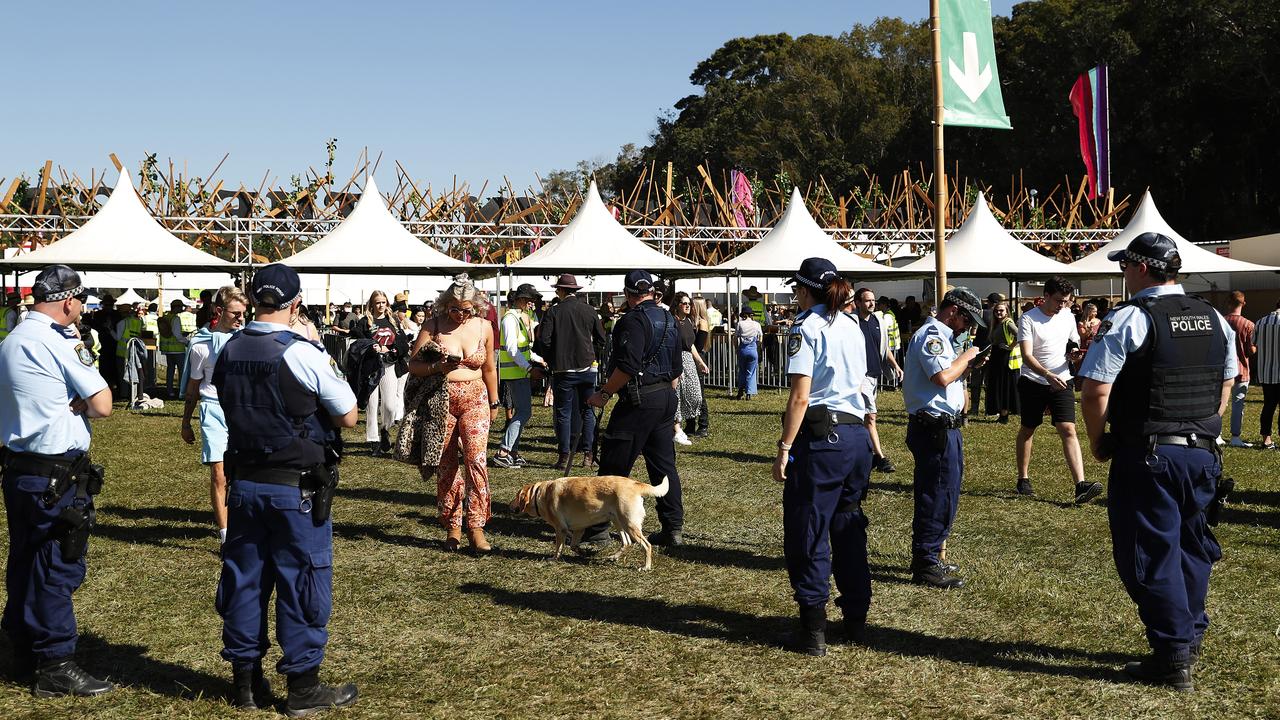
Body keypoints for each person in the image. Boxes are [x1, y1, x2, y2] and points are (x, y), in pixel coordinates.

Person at [1078, 232, 1236, 691]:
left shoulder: (1130, 316)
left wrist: (1099, 441)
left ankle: (1172, 655)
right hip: (1203, 454)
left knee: (1149, 552)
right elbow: (1227, 381)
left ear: (1142, 269)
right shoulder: (1213, 317)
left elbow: (1095, 390)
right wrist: (1206, 428)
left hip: (1149, 455)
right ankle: (1189, 637)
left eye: (1125, 266)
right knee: (1192, 547)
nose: (1123, 274)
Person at [212, 263, 359, 713]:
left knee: (244, 583)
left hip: (244, 486)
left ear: (253, 300)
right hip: (294, 490)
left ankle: (246, 684)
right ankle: (303, 687)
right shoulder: (302, 352)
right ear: (296, 304)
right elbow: (348, 415)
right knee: (302, 583)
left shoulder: (229, 349)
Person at [0, 265, 114, 698]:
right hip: (56, 473)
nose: (82, 309)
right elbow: (103, 404)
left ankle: (22, 644)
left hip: (19, 469)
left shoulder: (11, 340)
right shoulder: (56, 341)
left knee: (25, 558)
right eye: (82, 301)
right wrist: (77, 403)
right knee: (57, 564)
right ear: (69, 301)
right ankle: (56, 661)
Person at [771, 258, 873, 656]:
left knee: (809, 529)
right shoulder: (853, 325)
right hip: (855, 436)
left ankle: (813, 628)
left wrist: (783, 448)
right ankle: (856, 616)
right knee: (848, 527)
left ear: (804, 290)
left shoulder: (807, 326)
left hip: (822, 438)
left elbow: (800, 395)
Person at [587, 270, 685, 547]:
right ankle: (672, 527)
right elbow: (677, 366)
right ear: (652, 293)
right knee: (664, 466)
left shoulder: (631, 321)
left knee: (613, 467)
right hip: (665, 396)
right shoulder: (669, 318)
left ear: (629, 295)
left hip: (639, 400)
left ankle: (597, 532)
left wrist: (604, 394)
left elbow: (628, 367)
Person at [901, 287, 987, 589]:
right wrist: (967, 356)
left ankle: (932, 555)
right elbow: (941, 377)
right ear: (953, 312)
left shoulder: (945, 338)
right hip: (933, 427)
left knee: (947, 493)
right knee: (935, 494)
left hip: (945, 426)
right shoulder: (932, 336)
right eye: (967, 320)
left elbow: (948, 378)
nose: (968, 328)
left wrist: (967, 364)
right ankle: (925, 561)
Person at [408, 276, 500, 552]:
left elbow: (489, 369)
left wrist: (494, 402)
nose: (460, 315)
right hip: (441, 400)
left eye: (467, 309)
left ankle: (476, 526)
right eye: (455, 309)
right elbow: (413, 365)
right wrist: (438, 367)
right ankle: (452, 526)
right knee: (446, 464)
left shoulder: (484, 327)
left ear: (477, 307)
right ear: (445, 305)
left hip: (475, 399)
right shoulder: (433, 326)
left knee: (476, 460)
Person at [1012, 276, 1102, 504]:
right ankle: (1023, 478)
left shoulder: (1068, 316)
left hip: (1062, 380)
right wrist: (1046, 374)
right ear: (1046, 297)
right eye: (1059, 301)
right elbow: (1027, 356)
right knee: (1028, 428)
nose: (1063, 305)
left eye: (1067, 301)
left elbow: (1071, 342)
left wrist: (1073, 353)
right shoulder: (1029, 319)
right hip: (1034, 380)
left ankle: (1080, 485)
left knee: (1068, 429)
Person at [180, 286, 248, 545]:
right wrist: (186, 422)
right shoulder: (201, 346)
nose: (241, 318)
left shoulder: (247, 340)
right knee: (220, 474)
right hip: (213, 409)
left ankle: (243, 523)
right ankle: (225, 536)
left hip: (242, 411)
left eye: (244, 313)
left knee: (242, 473)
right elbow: (193, 387)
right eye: (236, 313)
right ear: (219, 311)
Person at [534, 274, 608, 472]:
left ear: (561, 290)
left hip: (562, 369)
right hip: (587, 368)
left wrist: (551, 358)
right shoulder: (589, 310)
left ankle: (564, 455)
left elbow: (544, 341)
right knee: (588, 411)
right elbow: (602, 339)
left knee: (563, 413)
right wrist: (594, 355)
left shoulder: (554, 312)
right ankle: (588, 454)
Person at [350, 290, 410, 457]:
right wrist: (370, 346)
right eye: (377, 302)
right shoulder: (365, 322)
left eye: (383, 302)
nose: (381, 305)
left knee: (390, 406)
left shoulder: (393, 322)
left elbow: (403, 344)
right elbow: (356, 342)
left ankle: (385, 429)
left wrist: (389, 349)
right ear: (372, 304)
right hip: (370, 368)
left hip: (389, 366)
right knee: (371, 405)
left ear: (387, 304)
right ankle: (373, 440)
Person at [493, 283, 545, 469]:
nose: (532, 304)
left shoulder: (517, 317)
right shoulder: (510, 319)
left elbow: (524, 350)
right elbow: (513, 350)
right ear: (521, 300)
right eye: (530, 300)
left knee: (522, 412)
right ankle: (504, 451)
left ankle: (511, 452)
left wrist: (539, 360)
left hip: (518, 371)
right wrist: (530, 369)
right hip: (515, 373)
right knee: (524, 412)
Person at [853, 287, 903, 473]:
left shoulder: (878, 321)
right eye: (867, 300)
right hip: (860, 376)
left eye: (873, 300)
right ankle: (880, 457)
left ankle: (863, 452)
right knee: (871, 416)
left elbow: (884, 348)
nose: (872, 303)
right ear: (858, 303)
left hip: (874, 375)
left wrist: (895, 365)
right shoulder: (852, 322)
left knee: (862, 417)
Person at [671, 292, 710, 446]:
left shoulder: (687, 322)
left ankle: (686, 426)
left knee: (696, 395)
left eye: (689, 304)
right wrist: (676, 367)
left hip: (689, 360)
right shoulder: (672, 322)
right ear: (677, 305)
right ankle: (677, 429)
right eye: (684, 303)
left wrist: (700, 362)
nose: (687, 306)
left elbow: (692, 345)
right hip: (677, 359)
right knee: (677, 396)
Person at [1223, 291, 1255, 447]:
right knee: (1238, 405)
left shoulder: (1220, 321)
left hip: (1222, 370)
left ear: (1229, 303)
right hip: (1242, 369)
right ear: (1244, 303)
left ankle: (1216, 435)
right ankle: (1235, 437)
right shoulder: (1248, 324)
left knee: (1220, 403)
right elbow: (1250, 350)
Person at [983, 301, 1021, 423]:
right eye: (996, 310)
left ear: (1007, 312)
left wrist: (1010, 346)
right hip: (996, 357)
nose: (999, 313)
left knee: (1004, 385)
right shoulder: (996, 323)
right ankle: (1001, 412)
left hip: (1004, 358)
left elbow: (1020, 335)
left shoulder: (1008, 323)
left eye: (1001, 310)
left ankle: (1004, 414)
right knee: (997, 384)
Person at [1253, 299, 1280, 449]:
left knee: (1268, 405)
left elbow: (1254, 343)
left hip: (1266, 371)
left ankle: (1266, 439)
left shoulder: (1260, 322)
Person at [159, 299, 194, 398]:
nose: (182, 309)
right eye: (181, 307)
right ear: (177, 307)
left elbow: (168, 333)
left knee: (170, 370)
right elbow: (177, 335)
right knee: (182, 371)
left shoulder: (166, 318)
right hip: (177, 349)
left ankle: (169, 391)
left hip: (167, 349)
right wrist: (188, 342)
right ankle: (181, 392)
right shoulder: (175, 319)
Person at [690, 297, 713, 438]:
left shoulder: (702, 323)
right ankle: (690, 423)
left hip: (698, 359)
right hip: (691, 358)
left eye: (692, 305)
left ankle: (703, 425)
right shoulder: (691, 322)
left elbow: (698, 346)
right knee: (690, 393)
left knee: (700, 394)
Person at [734, 306, 762, 399]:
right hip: (753, 349)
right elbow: (760, 337)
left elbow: (735, 337)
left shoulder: (740, 324)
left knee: (742, 370)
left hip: (742, 349)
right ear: (751, 315)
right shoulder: (756, 324)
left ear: (743, 315)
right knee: (751, 372)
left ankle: (740, 391)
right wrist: (757, 346)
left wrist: (736, 348)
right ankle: (749, 393)